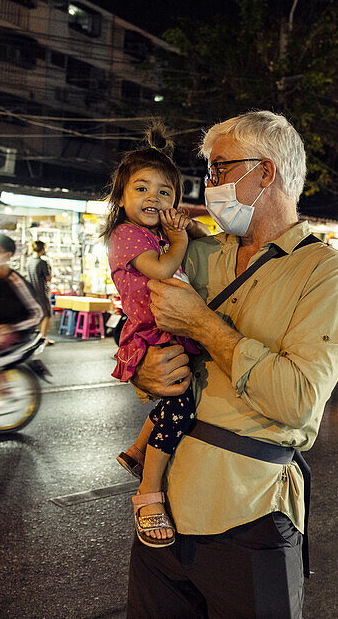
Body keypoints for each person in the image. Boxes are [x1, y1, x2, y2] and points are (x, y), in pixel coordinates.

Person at [127, 110, 338, 618]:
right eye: (208, 173)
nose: (209, 185)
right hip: (164, 505)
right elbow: (143, 332)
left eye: (219, 170)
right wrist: (142, 373)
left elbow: (296, 401)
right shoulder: (198, 254)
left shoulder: (325, 272)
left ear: (266, 172)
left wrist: (205, 326)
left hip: (249, 509)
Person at [105, 125, 205, 548]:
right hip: (151, 333)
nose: (153, 199)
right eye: (142, 188)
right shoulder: (128, 235)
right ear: (122, 198)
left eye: (165, 193)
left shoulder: (156, 233)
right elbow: (164, 270)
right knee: (178, 405)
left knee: (174, 398)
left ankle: (136, 449)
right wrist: (180, 237)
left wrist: (190, 229)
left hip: (168, 327)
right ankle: (149, 493)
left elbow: (195, 241)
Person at [0, 234, 44, 412]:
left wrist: (10, 327)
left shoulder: (15, 281)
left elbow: (37, 313)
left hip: (16, 332)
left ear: (8, 255)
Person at [26, 240, 54, 345]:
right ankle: (43, 338)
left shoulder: (29, 261)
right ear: (42, 249)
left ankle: (33, 338)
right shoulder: (42, 262)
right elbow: (48, 278)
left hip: (31, 291)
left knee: (34, 315)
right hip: (41, 291)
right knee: (46, 314)